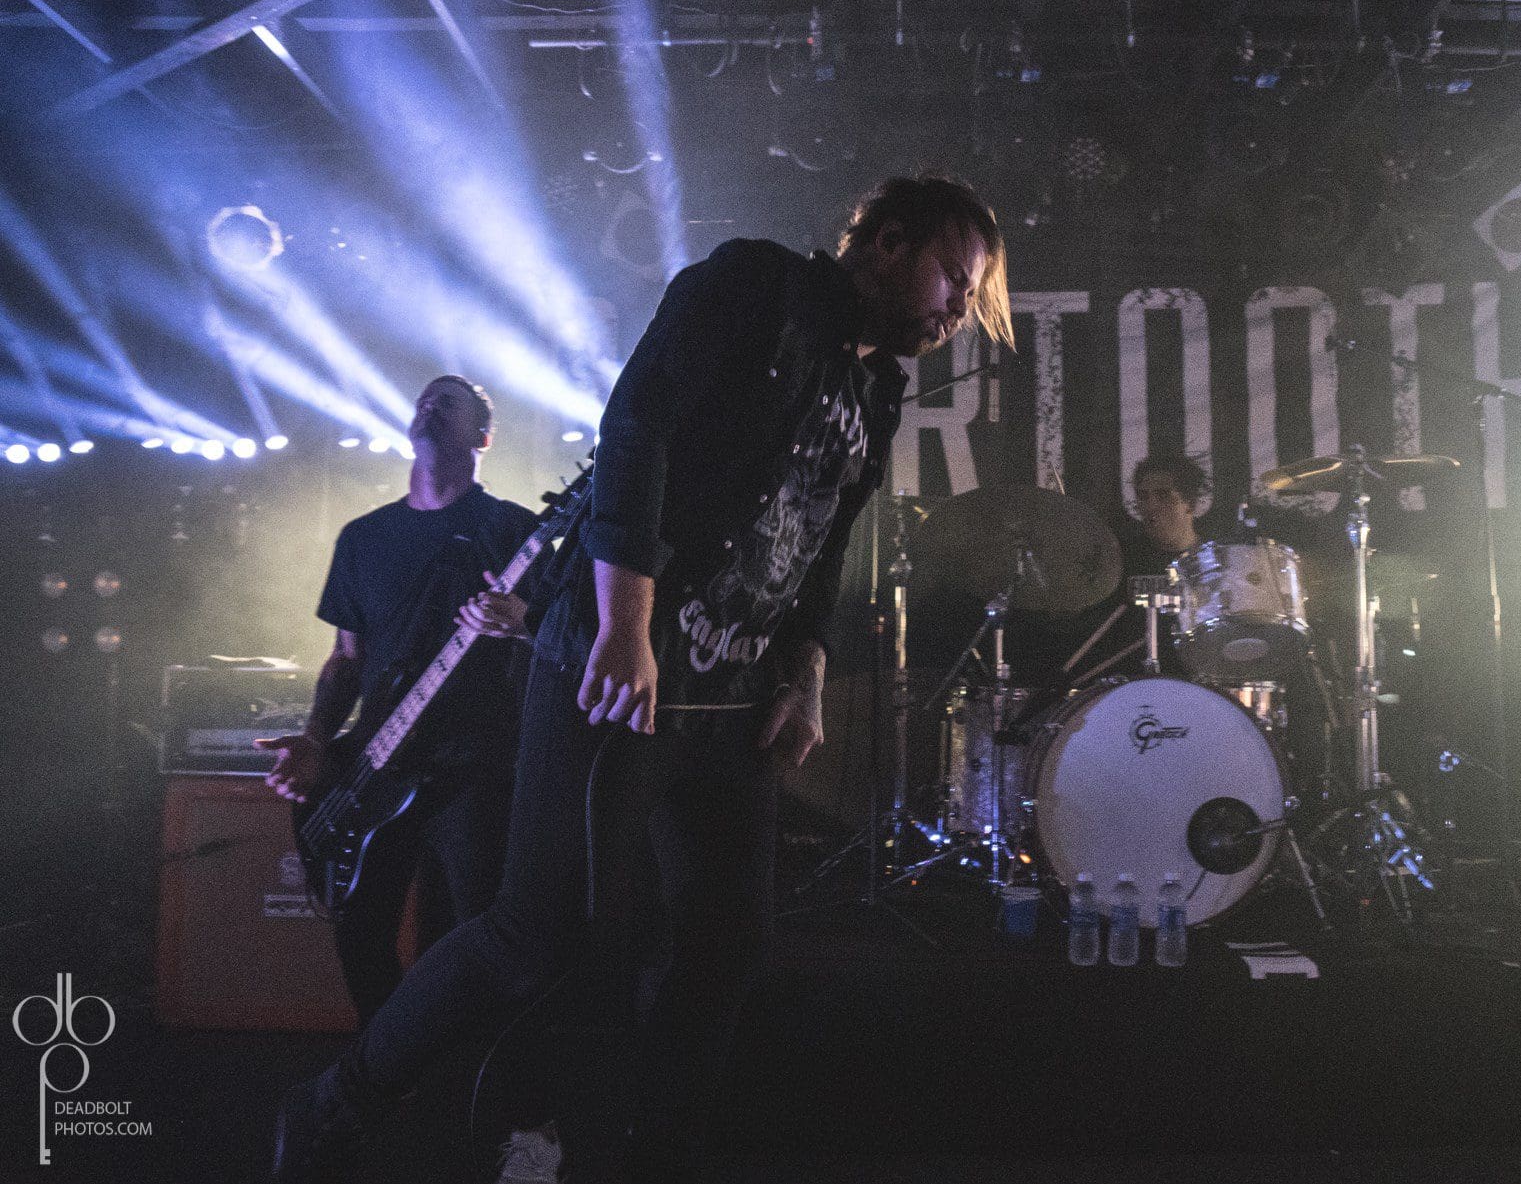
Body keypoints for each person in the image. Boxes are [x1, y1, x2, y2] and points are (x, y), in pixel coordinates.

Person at [272, 174, 1012, 1183]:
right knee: (534, 933)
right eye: (953, 277)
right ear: (887, 242)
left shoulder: (875, 390)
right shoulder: (755, 286)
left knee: (727, 943)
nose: (959, 308)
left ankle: (654, 1158)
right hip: (614, 670)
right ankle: (334, 1105)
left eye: (970, 294)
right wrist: (626, 621)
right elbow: (636, 429)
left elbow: (824, 540)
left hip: (732, 702)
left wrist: (806, 666)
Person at [257, 374, 539, 1022]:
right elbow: (346, 659)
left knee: (482, 932)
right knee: (360, 928)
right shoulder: (364, 537)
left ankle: (483, 1072)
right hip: (379, 764)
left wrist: (522, 620)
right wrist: (316, 739)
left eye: (450, 402)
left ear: (483, 437)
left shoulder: (514, 529)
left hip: (475, 766)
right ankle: (384, 1058)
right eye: (424, 400)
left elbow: (568, 635)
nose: (430, 406)